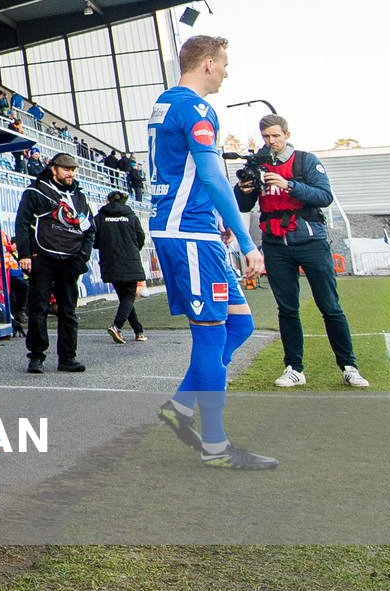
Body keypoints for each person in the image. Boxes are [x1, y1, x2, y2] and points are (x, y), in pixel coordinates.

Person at [147, 35, 275, 468]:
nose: (226, 72)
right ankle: (216, 447)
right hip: (189, 234)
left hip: (190, 228)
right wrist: (246, 240)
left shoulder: (166, 102)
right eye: (223, 64)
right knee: (212, 332)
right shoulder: (197, 108)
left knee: (240, 326)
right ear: (205, 63)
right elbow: (211, 174)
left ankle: (181, 404)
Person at [233, 114, 367, 388]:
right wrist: (245, 189)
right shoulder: (258, 165)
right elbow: (244, 206)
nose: (272, 142)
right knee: (287, 309)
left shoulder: (306, 161)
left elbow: (324, 196)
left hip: (311, 242)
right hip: (275, 244)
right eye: (267, 137)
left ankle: (349, 366)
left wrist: (289, 185)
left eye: (276, 136)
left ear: (287, 134)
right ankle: (294, 367)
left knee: (330, 306)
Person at [14, 152, 94, 374]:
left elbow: (90, 230)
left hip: (70, 261)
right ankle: (37, 357)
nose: (71, 173)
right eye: (66, 169)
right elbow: (21, 224)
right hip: (43, 259)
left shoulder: (79, 196)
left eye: (73, 169)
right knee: (38, 308)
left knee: (68, 311)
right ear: (53, 169)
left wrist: (82, 256)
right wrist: (25, 255)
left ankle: (67, 358)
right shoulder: (35, 191)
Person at [93, 190, 147, 344]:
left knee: (125, 297)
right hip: (130, 260)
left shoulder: (100, 217)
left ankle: (139, 331)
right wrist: (132, 249)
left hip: (110, 261)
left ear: (108, 201)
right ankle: (117, 326)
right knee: (129, 296)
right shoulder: (131, 216)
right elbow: (140, 238)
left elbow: (94, 239)